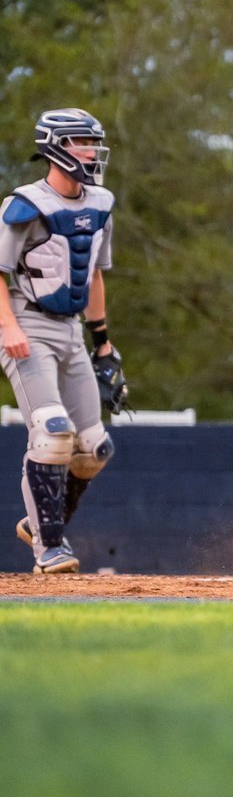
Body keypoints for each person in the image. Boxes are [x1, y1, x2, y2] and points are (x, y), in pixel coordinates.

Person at [0, 108, 122, 573]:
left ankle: (39, 522)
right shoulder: (24, 205)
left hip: (71, 330)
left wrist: (104, 344)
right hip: (27, 324)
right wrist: (8, 326)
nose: (90, 152)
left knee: (93, 449)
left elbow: (93, 277)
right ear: (54, 147)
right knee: (52, 433)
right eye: (80, 143)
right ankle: (49, 547)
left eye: (92, 143)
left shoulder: (101, 203)